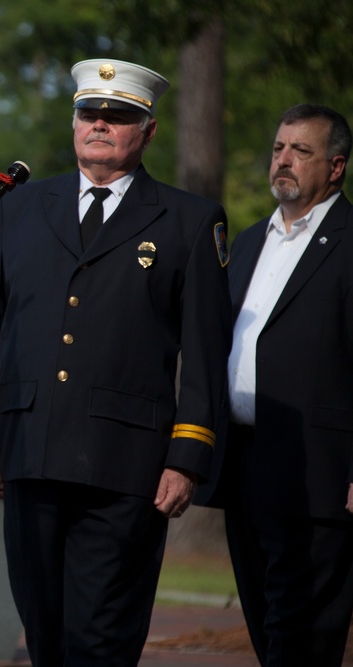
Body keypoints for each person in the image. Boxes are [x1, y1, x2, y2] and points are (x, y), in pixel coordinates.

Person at [0, 58, 232, 666]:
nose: (100, 123)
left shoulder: (190, 221)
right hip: (28, 449)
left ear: (149, 130)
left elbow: (208, 354)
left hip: (127, 467)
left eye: (120, 115)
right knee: (44, 634)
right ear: (74, 121)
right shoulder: (19, 208)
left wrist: (187, 455)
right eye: (89, 112)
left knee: (102, 640)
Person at [196, 104, 353, 666]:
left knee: (303, 637)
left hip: (319, 475)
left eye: (301, 151)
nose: (283, 161)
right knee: (267, 628)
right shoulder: (244, 243)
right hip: (244, 465)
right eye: (278, 148)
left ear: (335, 168)